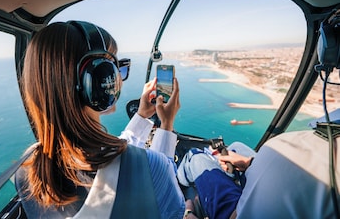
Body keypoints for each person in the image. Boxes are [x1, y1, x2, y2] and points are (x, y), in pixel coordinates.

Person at [17, 21, 185, 218]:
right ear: (98, 79)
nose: (119, 77)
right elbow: (171, 203)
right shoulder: (152, 166)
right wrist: (166, 125)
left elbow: (112, 160)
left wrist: (141, 117)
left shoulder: (28, 167)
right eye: (115, 69)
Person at [178, 131, 340, 218]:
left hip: (235, 214)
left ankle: (179, 182)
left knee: (195, 157)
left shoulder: (287, 143)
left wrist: (188, 214)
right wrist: (250, 164)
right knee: (236, 147)